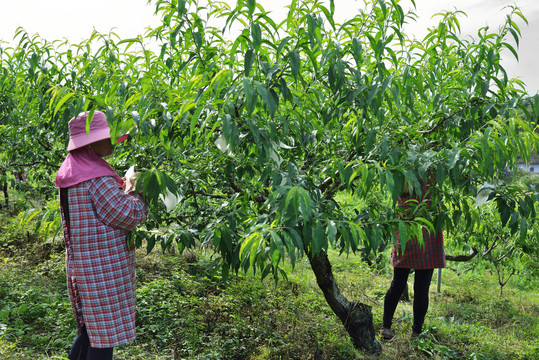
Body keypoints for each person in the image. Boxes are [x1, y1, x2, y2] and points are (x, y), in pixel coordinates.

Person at [56, 111, 148, 359]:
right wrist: (141, 192)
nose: (112, 142)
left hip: (83, 267)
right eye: (106, 137)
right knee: (102, 336)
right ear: (89, 142)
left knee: (89, 330)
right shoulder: (97, 178)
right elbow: (127, 214)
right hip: (102, 269)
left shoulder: (75, 171)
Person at [380, 177, 445, 340]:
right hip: (418, 224)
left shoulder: (406, 161)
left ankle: (387, 327)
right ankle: (415, 331)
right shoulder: (431, 163)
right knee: (418, 286)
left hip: (411, 223)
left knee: (400, 283)